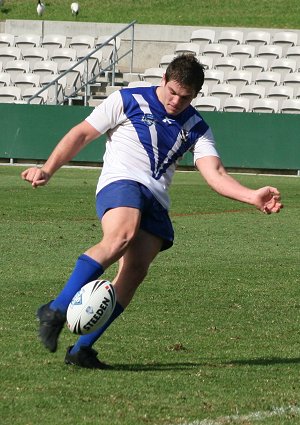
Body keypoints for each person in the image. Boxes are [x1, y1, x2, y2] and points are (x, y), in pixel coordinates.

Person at [21, 54, 283, 369]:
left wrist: (251, 196)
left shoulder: (196, 127)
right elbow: (82, 134)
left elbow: (216, 174)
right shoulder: (127, 99)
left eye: (185, 97)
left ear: (195, 95)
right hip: (122, 183)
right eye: (172, 91)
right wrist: (48, 169)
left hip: (156, 201)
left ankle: (81, 351)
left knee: (133, 273)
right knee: (121, 235)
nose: (175, 100)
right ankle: (56, 309)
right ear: (163, 81)